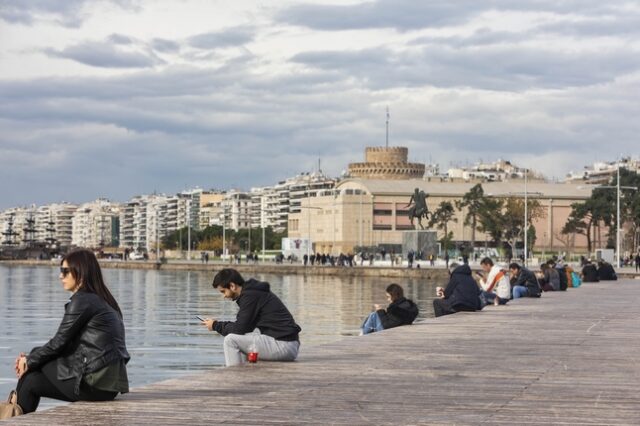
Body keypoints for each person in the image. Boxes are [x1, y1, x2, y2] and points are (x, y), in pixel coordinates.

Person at [13, 249, 130, 414]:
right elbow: (67, 345)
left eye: (65, 271)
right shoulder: (105, 301)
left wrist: (28, 361)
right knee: (32, 380)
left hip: (95, 382)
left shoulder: (83, 301)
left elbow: (58, 343)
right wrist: (30, 359)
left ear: (81, 273)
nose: (60, 276)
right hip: (109, 384)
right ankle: (14, 417)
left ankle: (11, 416)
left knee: (31, 367)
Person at [203, 268, 301, 366]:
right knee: (239, 338)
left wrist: (215, 325)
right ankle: (242, 374)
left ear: (232, 286)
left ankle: (234, 377)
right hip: (287, 344)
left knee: (230, 340)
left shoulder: (250, 296)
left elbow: (239, 328)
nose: (224, 296)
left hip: (284, 345)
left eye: (223, 291)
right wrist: (217, 325)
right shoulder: (253, 292)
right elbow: (245, 328)